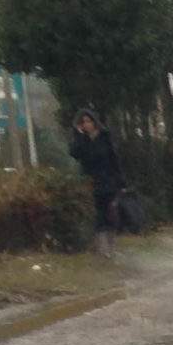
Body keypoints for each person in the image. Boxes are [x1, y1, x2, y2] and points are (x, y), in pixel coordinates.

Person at [66, 106, 124, 254]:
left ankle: (111, 247)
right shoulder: (82, 140)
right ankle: (103, 249)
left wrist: (119, 180)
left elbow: (114, 158)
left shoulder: (105, 137)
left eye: (89, 121)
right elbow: (74, 153)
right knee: (98, 217)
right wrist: (78, 135)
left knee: (109, 215)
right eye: (83, 122)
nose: (86, 124)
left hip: (107, 181)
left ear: (95, 122)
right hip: (90, 183)